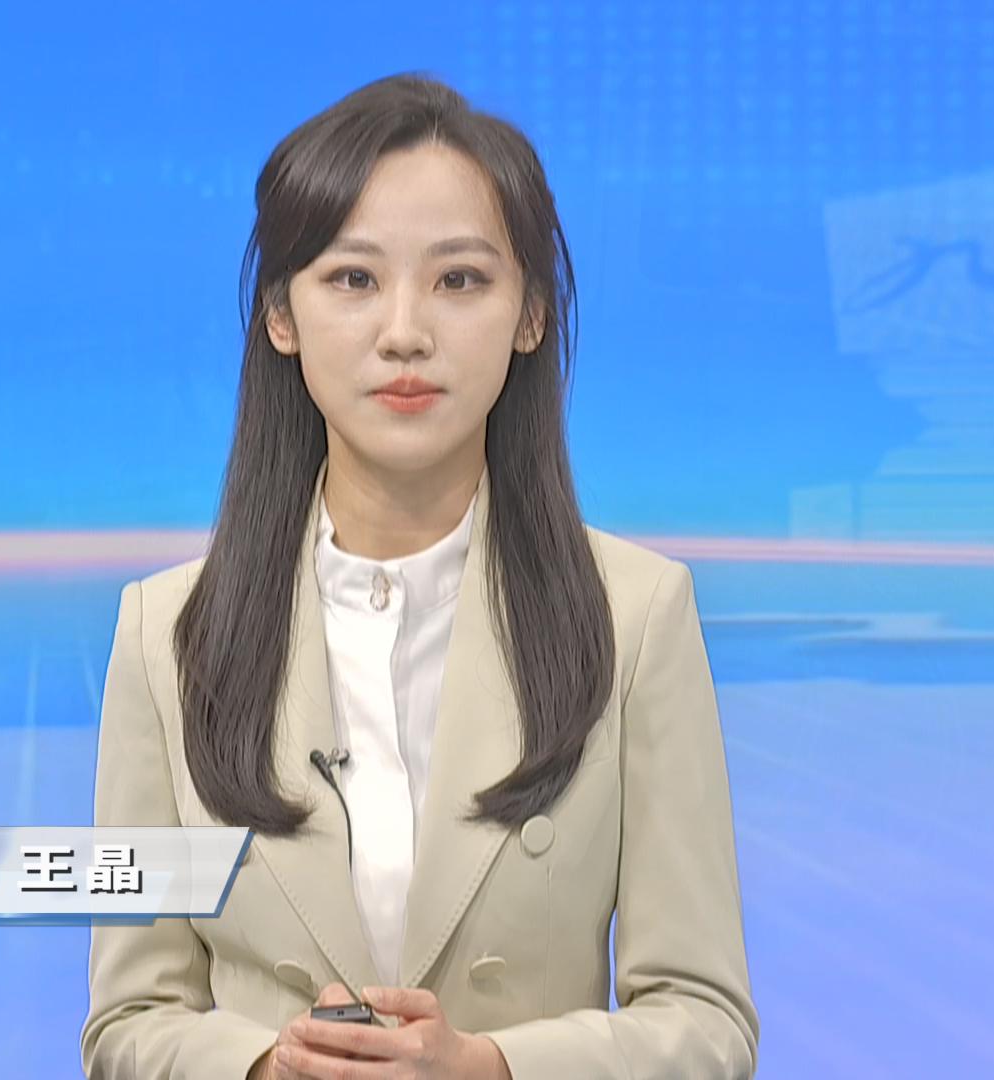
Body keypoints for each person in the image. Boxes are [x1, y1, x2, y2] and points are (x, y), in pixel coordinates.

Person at [80, 72, 759, 1079]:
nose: (405, 331)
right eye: (354, 279)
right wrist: (265, 1068)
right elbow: (129, 1019)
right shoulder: (165, 634)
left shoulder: (637, 616)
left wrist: (491, 1068)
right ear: (281, 316)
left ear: (531, 314)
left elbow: (706, 1024)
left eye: (460, 280)